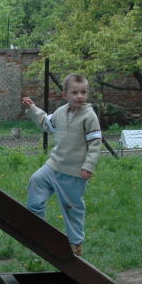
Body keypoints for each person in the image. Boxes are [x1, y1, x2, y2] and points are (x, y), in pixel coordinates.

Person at [22, 73, 102, 256]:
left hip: (75, 172)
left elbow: (95, 143)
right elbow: (46, 123)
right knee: (37, 181)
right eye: (75, 92)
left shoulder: (89, 116)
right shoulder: (60, 112)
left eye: (83, 92)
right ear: (65, 94)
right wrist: (33, 109)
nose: (79, 96)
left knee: (72, 207)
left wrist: (88, 166)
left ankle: (75, 243)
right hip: (54, 165)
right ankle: (38, 228)